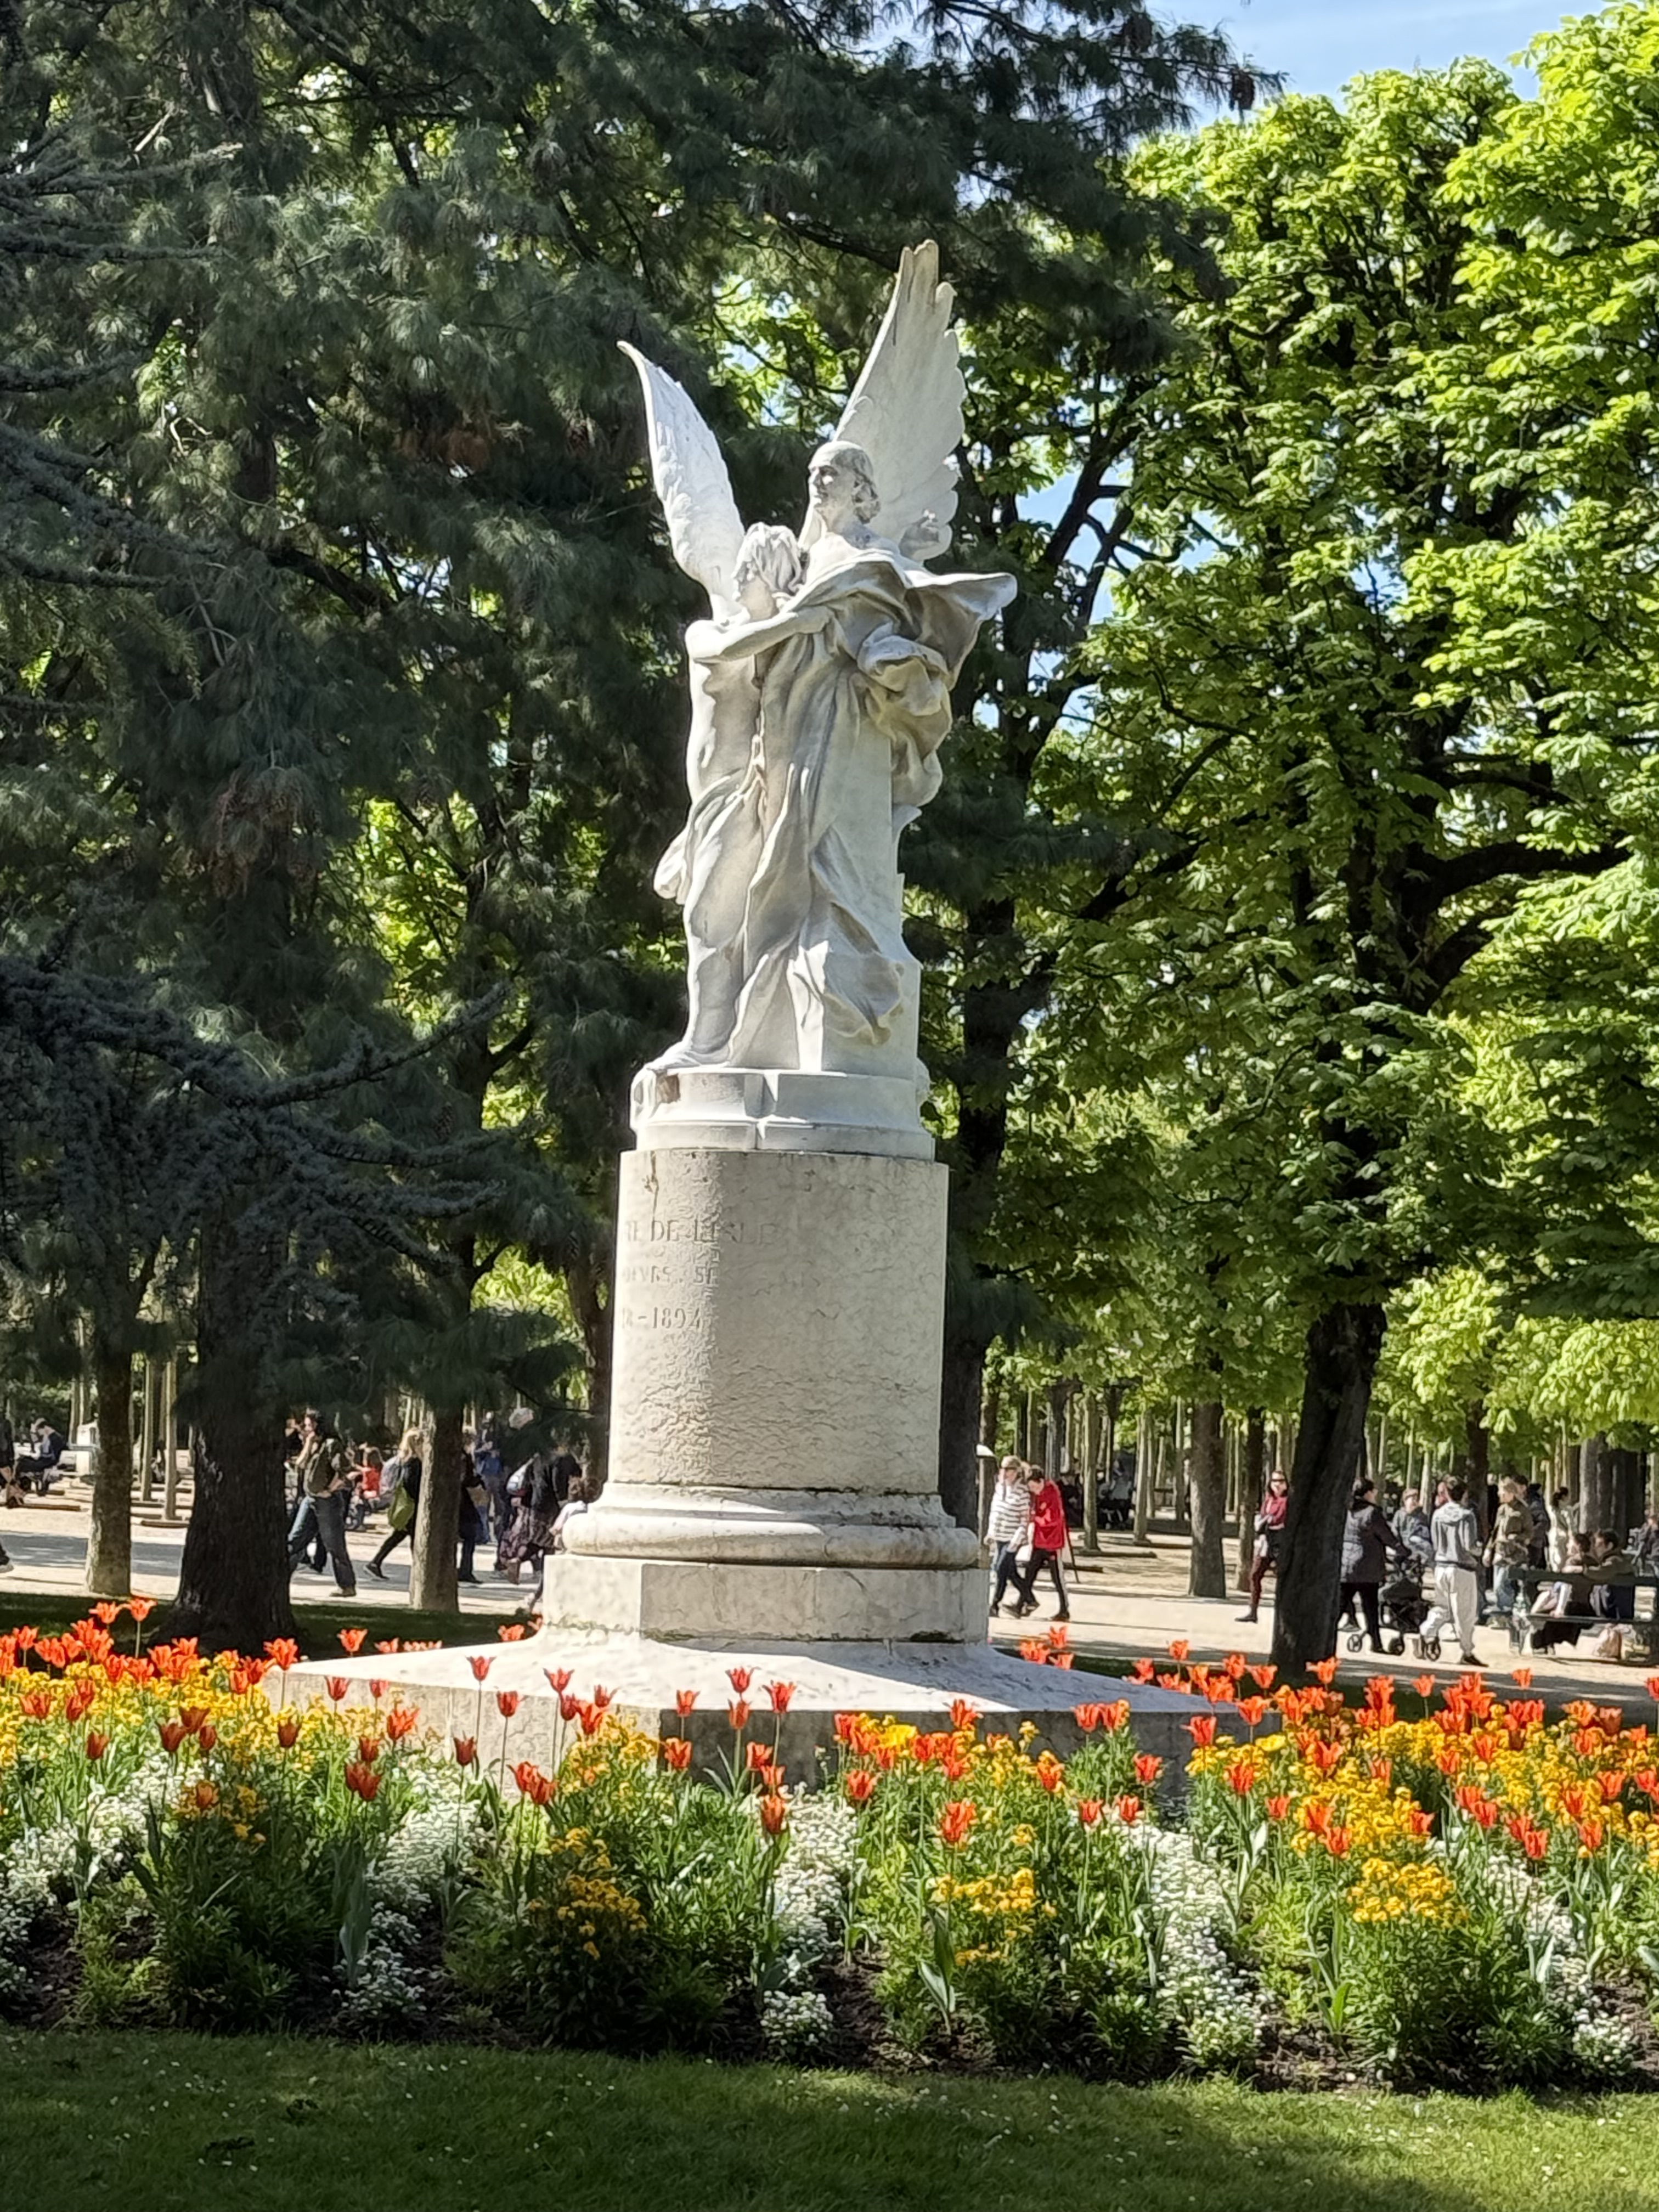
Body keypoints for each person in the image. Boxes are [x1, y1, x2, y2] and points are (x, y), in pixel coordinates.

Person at [285, 1410, 357, 1597]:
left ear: (318, 1426)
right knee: (295, 1539)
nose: (306, 1429)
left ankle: (346, 1585)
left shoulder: (332, 1445)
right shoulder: (312, 1445)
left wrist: (331, 1489)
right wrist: (308, 1445)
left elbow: (345, 1472)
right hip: (309, 1500)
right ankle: (281, 1579)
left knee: (334, 1544)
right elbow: (299, 1465)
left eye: (309, 1426)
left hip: (327, 1503)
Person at [1340, 1478, 1410, 1654]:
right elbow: (1387, 1537)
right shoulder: (1372, 1513)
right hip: (1367, 1567)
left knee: (1340, 1605)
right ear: (1367, 1493)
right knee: (1370, 1606)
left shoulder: (1348, 1511)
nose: (1376, 1494)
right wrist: (1403, 1551)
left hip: (1347, 1566)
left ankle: (1322, 1639)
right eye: (1374, 1491)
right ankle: (1376, 1643)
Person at [1419, 1476, 1481, 1665]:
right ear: (1465, 1494)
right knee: (1465, 1613)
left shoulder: (1437, 1514)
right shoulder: (1466, 1515)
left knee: (1442, 1607)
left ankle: (1427, 1631)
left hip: (1441, 1565)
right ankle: (1467, 1651)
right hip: (1462, 1568)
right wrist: (1480, 1549)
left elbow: (1435, 1541)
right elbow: (1469, 1545)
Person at [1013, 1463, 1069, 1621]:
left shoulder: (1052, 1493)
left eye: (1033, 1486)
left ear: (1040, 1482)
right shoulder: (1036, 1495)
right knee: (1029, 1574)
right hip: (1039, 1541)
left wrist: (1035, 1518)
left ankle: (1064, 1609)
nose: (1032, 1490)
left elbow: (1053, 1519)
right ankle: (1020, 1605)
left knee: (1057, 1578)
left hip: (1052, 1543)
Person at [365, 1430, 424, 1578]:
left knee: (400, 1536)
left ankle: (376, 1562)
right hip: (411, 1506)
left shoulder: (404, 1461)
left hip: (407, 1505)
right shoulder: (414, 1463)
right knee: (412, 1538)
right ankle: (420, 1571)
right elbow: (411, 1484)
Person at [1238, 1470, 1289, 1624]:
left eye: (1280, 1481)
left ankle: (1283, 1611)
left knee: (1283, 1576)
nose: (1277, 1484)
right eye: (1274, 1481)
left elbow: (1280, 1518)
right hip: (1266, 1539)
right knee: (1255, 1574)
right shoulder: (1268, 1499)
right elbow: (1264, 1517)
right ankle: (1253, 1611)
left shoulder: (1288, 1501)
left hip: (1281, 1540)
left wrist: (1270, 1520)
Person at [1485, 1477, 1535, 1626]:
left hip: (1516, 1554)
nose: (1500, 1494)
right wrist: (1488, 1550)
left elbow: (1530, 1533)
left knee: (1505, 1585)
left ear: (1511, 1492)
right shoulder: (1502, 1510)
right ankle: (1503, 1616)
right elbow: (1495, 1532)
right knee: (1498, 1586)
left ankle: (1508, 1614)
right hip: (1500, 1553)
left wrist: (1517, 1537)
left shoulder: (1523, 1510)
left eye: (1503, 1491)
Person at [985, 1456, 1031, 1616]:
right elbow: (994, 1512)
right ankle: (1029, 1598)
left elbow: (1024, 1519)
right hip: (1000, 1535)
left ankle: (994, 1604)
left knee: (1000, 1568)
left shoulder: (1023, 1491)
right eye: (1003, 1469)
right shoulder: (999, 1487)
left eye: (1009, 1470)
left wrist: (1016, 1540)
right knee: (1008, 1571)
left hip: (1013, 1538)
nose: (1005, 1474)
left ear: (1016, 1472)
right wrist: (991, 1532)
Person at [1393, 1489, 1433, 1567]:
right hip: (1401, 1549)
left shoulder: (1421, 1516)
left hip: (1416, 1550)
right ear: (1405, 1501)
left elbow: (1424, 1535)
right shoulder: (1399, 1514)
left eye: (1416, 1499)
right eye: (1412, 1499)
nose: (1415, 1502)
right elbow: (1395, 1532)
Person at [1548, 1487, 1574, 1571]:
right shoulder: (1567, 1510)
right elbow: (1571, 1526)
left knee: (1554, 1558)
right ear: (1564, 1497)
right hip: (1563, 1535)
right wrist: (1573, 1538)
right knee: (1563, 1560)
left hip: (1552, 1535)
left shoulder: (1550, 1508)